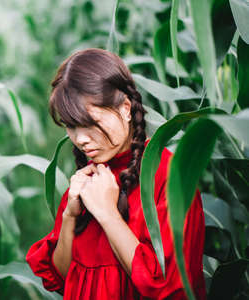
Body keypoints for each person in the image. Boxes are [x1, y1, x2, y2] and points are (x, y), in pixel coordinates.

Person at [26, 48, 206, 299]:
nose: (81, 139)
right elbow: (63, 278)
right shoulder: (90, 179)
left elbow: (169, 287)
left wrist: (108, 214)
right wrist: (69, 215)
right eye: (71, 126)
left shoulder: (170, 176)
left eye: (90, 123)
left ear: (125, 108)